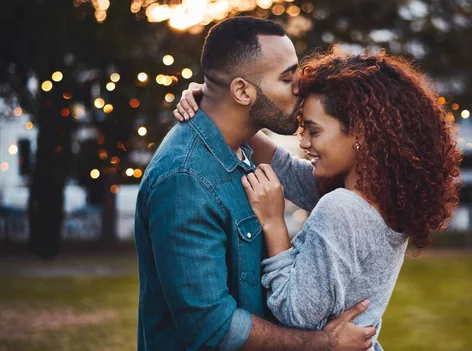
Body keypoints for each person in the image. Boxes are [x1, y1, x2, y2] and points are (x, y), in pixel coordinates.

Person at [175, 51, 462, 350]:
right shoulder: (382, 200)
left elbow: (295, 314)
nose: (304, 142)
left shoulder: (344, 209)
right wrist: (216, 106)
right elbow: (282, 165)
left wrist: (274, 223)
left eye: (314, 130)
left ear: (360, 132)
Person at [135, 17, 376, 351]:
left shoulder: (242, 148)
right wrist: (324, 344)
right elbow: (212, 327)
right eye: (288, 77)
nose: (299, 88)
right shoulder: (185, 179)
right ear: (243, 91)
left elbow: (321, 187)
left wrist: (207, 93)